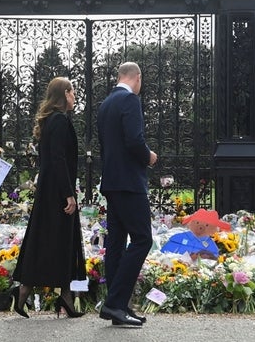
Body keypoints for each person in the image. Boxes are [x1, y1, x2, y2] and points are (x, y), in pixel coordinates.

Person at [11, 77, 86, 319]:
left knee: (53, 240)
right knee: (55, 241)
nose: (75, 97)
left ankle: (60, 296)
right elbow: (58, 159)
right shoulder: (60, 121)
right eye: (73, 93)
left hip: (50, 190)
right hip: (57, 192)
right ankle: (26, 292)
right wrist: (68, 193)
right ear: (65, 94)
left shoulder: (52, 121)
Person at [97, 62, 157, 327]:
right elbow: (134, 140)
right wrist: (149, 157)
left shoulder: (106, 103)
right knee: (143, 239)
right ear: (137, 77)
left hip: (111, 181)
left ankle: (117, 306)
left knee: (117, 244)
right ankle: (114, 303)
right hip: (130, 183)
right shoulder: (130, 100)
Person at [160, 208, 231, 260]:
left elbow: (215, 257)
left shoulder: (209, 243)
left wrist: (208, 256)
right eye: (197, 223)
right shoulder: (180, 237)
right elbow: (165, 252)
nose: (201, 227)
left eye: (207, 225)